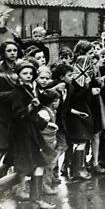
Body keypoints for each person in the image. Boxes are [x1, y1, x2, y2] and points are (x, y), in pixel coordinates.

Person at [3, 61, 56, 208]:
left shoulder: (28, 89)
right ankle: (36, 199)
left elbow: (31, 114)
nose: (28, 76)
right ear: (18, 76)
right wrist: (31, 106)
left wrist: (43, 123)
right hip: (21, 135)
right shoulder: (17, 93)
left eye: (31, 74)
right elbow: (17, 114)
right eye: (25, 73)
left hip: (29, 133)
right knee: (32, 166)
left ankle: (36, 199)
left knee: (32, 166)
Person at [66, 55, 95, 181]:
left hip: (83, 113)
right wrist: (85, 87)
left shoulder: (82, 81)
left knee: (82, 142)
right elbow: (75, 98)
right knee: (81, 142)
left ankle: (77, 169)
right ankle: (77, 170)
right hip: (76, 115)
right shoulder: (73, 83)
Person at [37, 89, 61, 195]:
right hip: (46, 141)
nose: (58, 102)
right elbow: (42, 126)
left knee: (50, 162)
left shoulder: (51, 111)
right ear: (53, 102)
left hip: (51, 140)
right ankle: (45, 186)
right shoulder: (44, 113)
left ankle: (48, 181)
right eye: (56, 100)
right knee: (47, 164)